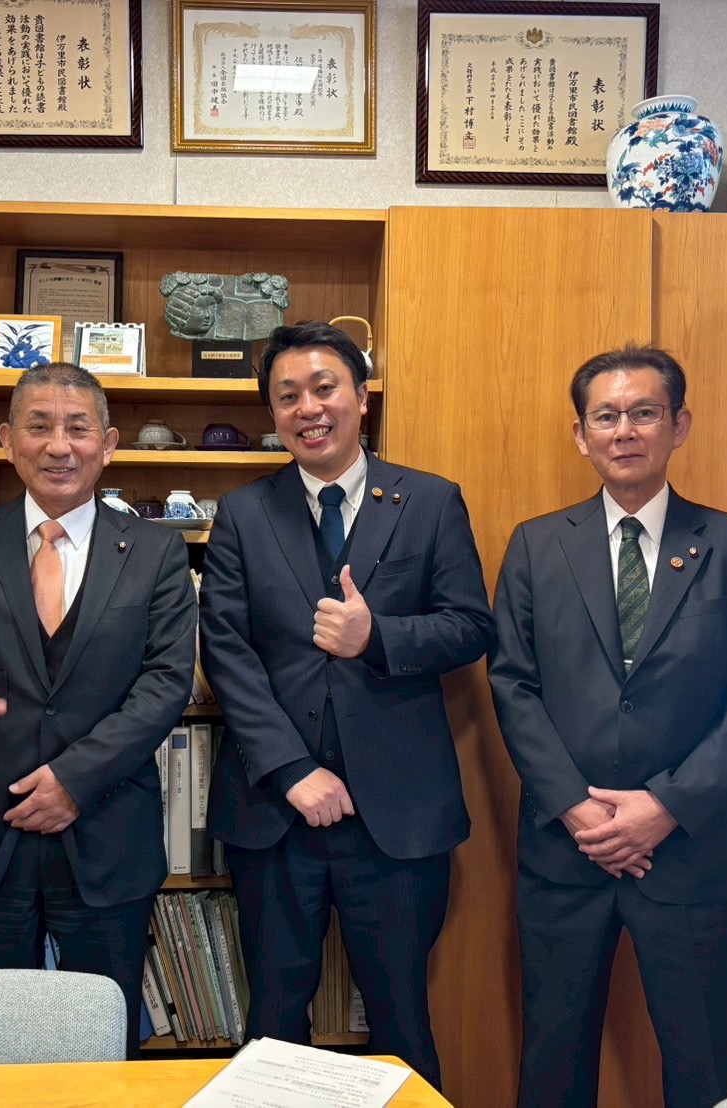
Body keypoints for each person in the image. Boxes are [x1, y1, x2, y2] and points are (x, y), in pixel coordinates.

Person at [488, 344, 727, 1108]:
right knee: (551, 1066)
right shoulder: (535, 545)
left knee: (702, 1069)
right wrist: (576, 808)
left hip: (690, 853)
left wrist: (664, 807)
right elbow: (512, 685)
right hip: (566, 850)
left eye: (643, 413)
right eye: (606, 416)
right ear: (580, 434)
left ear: (678, 425)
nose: (624, 431)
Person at [199, 321, 493, 1088]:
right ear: (273, 413)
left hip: (397, 817)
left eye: (324, 387)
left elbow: (470, 626)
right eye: (286, 395)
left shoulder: (430, 501)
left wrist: (377, 637)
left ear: (361, 397)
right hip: (276, 813)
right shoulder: (243, 513)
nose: (307, 408)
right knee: (273, 1024)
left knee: (401, 1022)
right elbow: (225, 651)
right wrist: (292, 770)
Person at [0, 362, 195, 1057]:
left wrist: (74, 780)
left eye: (78, 428)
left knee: (103, 1039)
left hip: (106, 830)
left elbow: (166, 682)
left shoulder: (155, 551)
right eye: (39, 426)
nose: (59, 445)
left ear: (108, 444)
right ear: (7, 440)